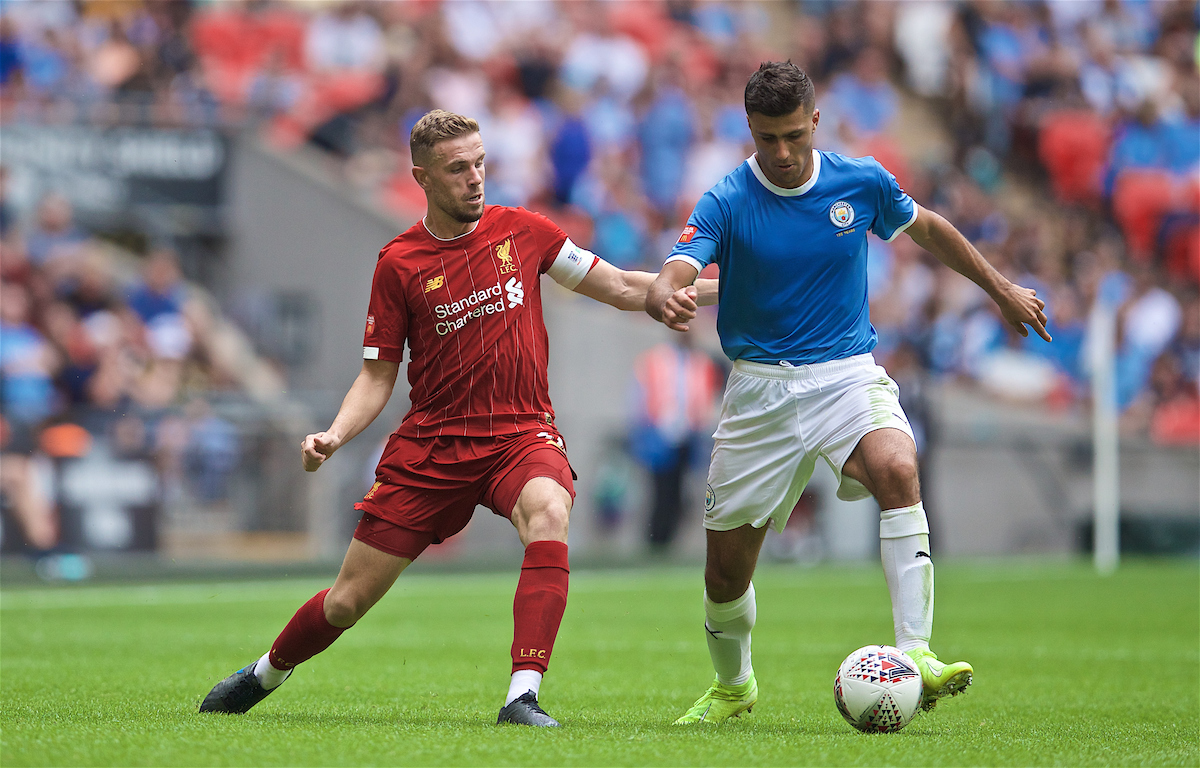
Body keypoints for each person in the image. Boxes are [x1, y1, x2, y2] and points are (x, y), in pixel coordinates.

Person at [199, 109, 717, 727]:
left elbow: (628, 287)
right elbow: (377, 374)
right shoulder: (399, 264)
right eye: (457, 169)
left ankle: (520, 696)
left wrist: (725, 287)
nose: (474, 179)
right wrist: (335, 434)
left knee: (549, 510)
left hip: (521, 434)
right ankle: (265, 673)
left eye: (479, 164)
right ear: (421, 177)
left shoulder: (523, 232)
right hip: (435, 446)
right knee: (346, 602)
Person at [645, 62, 1051, 724]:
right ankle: (734, 685)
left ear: (814, 122)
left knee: (897, 464)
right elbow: (681, 265)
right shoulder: (726, 198)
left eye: (791, 137)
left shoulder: (858, 181)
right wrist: (667, 292)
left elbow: (928, 228)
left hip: (845, 375)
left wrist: (1001, 289)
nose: (779, 153)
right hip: (760, 394)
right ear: (749, 129)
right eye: (765, 138)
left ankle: (916, 652)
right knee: (725, 576)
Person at [628, 333, 723, 550]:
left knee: (678, 491)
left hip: (688, 434)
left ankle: (666, 539)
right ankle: (656, 539)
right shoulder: (658, 359)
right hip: (659, 433)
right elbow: (642, 395)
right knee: (660, 489)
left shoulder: (700, 362)